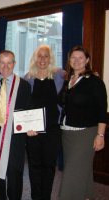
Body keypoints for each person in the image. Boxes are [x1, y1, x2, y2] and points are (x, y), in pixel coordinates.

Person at [58, 46, 107, 200]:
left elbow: (101, 111)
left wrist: (100, 135)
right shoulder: (68, 80)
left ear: (87, 60)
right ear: (69, 60)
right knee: (82, 172)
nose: (77, 60)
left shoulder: (95, 81)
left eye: (80, 57)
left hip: (85, 134)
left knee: (71, 175)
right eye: (73, 57)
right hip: (67, 134)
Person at [0, 50, 37, 200]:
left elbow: (28, 109)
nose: (6, 66)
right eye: (2, 62)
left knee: (14, 169)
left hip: (14, 133)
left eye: (9, 62)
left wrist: (31, 127)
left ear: (14, 64)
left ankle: (14, 197)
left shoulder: (23, 85)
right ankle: (0, 196)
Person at [23, 44, 65, 200]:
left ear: (50, 58)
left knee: (48, 166)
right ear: (35, 58)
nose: (42, 59)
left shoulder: (60, 75)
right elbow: (24, 104)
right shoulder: (28, 78)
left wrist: (91, 74)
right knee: (34, 167)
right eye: (39, 56)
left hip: (53, 130)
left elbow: (78, 77)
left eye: (45, 56)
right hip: (33, 131)